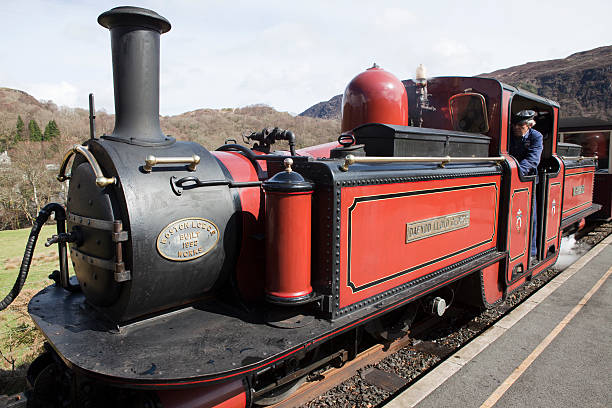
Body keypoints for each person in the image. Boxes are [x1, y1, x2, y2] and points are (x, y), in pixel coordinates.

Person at [509, 110, 543, 265]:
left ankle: (532, 251)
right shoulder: (510, 135)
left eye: (520, 125)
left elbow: (532, 159)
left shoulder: (536, 137)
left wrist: (515, 173)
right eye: (515, 124)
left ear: (529, 125)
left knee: (531, 216)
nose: (516, 127)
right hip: (511, 179)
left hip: (527, 180)